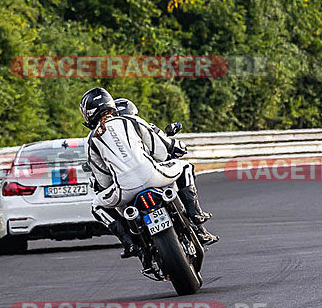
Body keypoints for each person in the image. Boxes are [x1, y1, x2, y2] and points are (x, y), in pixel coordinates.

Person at [79, 87, 218, 260]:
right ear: (110, 103)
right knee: (185, 167)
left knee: (96, 205)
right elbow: (159, 151)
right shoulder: (131, 121)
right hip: (155, 176)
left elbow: (104, 180)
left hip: (125, 190)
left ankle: (129, 243)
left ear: (88, 115)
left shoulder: (91, 140)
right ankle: (196, 214)